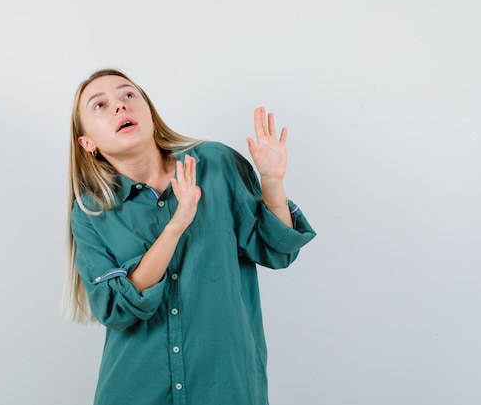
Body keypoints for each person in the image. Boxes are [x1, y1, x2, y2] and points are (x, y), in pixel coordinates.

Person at [63, 68, 316, 405]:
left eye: (128, 95)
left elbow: (277, 251)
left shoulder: (216, 164)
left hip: (225, 387)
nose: (120, 107)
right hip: (136, 390)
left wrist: (271, 182)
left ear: (150, 113)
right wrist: (176, 225)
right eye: (100, 105)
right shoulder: (90, 212)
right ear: (87, 143)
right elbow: (116, 308)